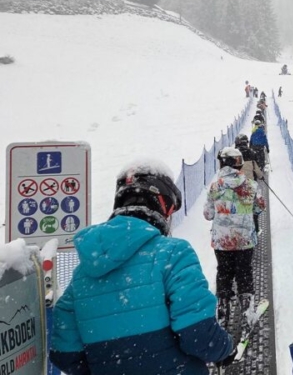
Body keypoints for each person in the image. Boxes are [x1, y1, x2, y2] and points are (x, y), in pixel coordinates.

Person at [49, 160, 236, 374]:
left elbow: (65, 352)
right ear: (161, 206)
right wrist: (225, 349)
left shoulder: (82, 274)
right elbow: (198, 334)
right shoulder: (173, 253)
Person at [204, 148, 266, 334]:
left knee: (224, 273)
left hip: (222, 242)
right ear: (238, 164)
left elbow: (208, 214)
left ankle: (222, 313)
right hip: (244, 240)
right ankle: (247, 315)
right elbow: (259, 208)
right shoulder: (250, 185)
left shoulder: (215, 187)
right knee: (244, 273)